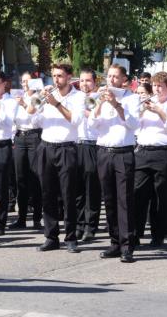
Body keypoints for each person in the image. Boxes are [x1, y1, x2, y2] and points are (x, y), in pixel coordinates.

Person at [27, 63, 85, 253]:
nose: (56, 80)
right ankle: (51, 237)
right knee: (47, 194)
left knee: (68, 195)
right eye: (54, 76)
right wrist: (38, 101)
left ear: (69, 77)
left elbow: (75, 120)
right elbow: (33, 120)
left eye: (60, 76)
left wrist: (57, 104)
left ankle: (70, 237)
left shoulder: (78, 97)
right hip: (46, 147)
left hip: (67, 148)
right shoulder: (47, 95)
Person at [90, 65, 138, 262]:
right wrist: (100, 104)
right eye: (108, 76)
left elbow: (133, 124)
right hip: (104, 152)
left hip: (123, 153)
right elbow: (91, 125)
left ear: (123, 79)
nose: (111, 80)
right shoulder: (98, 96)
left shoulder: (131, 98)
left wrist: (117, 104)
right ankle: (115, 243)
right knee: (109, 200)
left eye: (115, 77)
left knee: (124, 201)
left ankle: (128, 246)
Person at [133, 72, 167, 247]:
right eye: (154, 86)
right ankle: (135, 234)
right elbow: (133, 126)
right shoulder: (144, 104)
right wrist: (141, 110)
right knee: (138, 195)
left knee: (160, 197)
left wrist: (159, 111)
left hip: (164, 153)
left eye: (160, 86)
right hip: (143, 152)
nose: (157, 89)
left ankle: (158, 235)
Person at [11, 71, 43, 230]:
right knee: (20, 179)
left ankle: (37, 217)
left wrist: (25, 105)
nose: (25, 84)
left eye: (28, 81)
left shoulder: (38, 98)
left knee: (35, 177)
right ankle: (21, 218)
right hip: (20, 137)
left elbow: (37, 119)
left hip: (34, 136)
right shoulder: (16, 97)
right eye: (23, 81)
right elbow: (12, 120)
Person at [0, 70, 18, 236]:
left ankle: (1, 222)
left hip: (3, 146)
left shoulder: (11, 102)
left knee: (2, 187)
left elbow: (7, 123)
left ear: (5, 84)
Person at [75, 67, 101, 242]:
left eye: (88, 81)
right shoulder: (74, 97)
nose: (84, 84)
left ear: (94, 82)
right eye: (82, 80)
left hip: (92, 145)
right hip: (75, 145)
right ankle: (78, 225)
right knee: (76, 190)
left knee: (92, 189)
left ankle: (90, 226)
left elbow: (98, 120)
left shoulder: (99, 98)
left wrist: (85, 112)